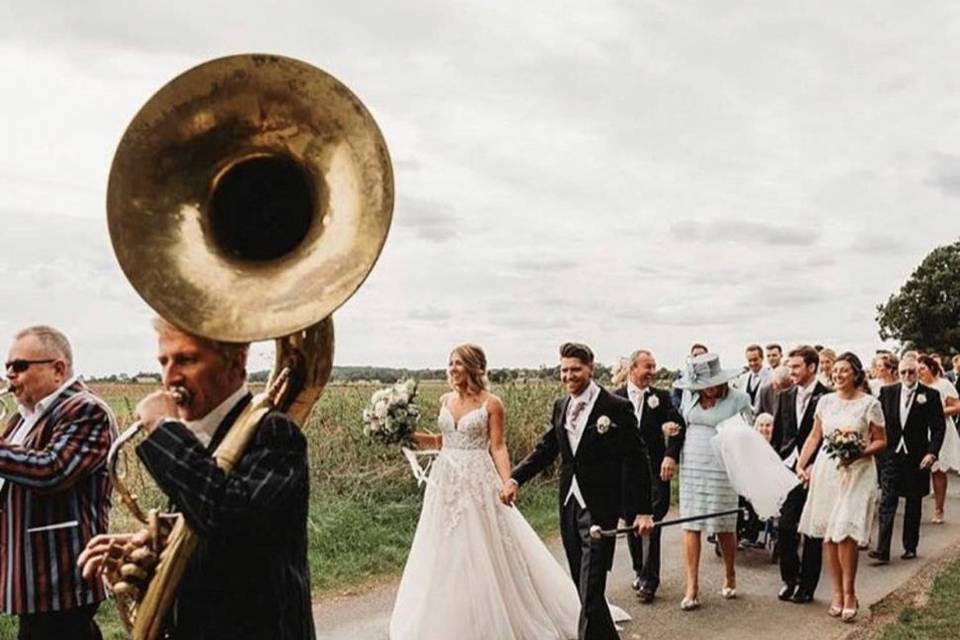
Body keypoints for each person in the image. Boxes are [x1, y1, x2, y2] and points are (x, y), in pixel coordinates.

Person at [79, 318, 315, 639]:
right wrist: (154, 557)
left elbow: (229, 518)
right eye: (164, 361)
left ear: (235, 362)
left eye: (186, 360)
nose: (169, 376)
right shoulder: (199, 437)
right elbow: (208, 532)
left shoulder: (273, 431)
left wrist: (164, 427)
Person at [391, 344, 614, 640]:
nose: (452, 369)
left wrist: (509, 481)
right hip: (446, 483)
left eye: (458, 363)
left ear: (474, 368)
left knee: (483, 547)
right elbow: (443, 440)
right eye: (450, 363)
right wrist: (401, 433)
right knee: (444, 547)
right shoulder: (445, 400)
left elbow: (497, 446)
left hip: (478, 481)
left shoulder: (491, 403)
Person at [506, 342, 654, 640]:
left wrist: (644, 510)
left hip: (601, 507)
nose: (569, 376)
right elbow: (546, 449)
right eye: (564, 370)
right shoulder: (561, 405)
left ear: (590, 368)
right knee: (582, 583)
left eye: (575, 369)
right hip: (569, 504)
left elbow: (638, 459)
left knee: (589, 588)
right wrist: (515, 479)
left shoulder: (615, 407)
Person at [0, 325, 116, 640]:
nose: (11, 375)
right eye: (8, 367)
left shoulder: (85, 409)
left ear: (58, 369)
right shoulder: (24, 416)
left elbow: (52, 469)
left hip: (61, 573)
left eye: (20, 366)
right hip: (32, 573)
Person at [795, 352, 886, 622]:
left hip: (858, 471)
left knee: (845, 531)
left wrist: (858, 453)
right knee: (829, 534)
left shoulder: (870, 404)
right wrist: (801, 465)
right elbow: (815, 436)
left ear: (856, 374)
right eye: (834, 371)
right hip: (828, 469)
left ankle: (850, 593)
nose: (837, 375)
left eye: (844, 370)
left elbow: (881, 441)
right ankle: (836, 592)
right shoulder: (825, 401)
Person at [672, 353, 753, 611]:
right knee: (690, 523)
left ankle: (730, 572)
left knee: (723, 524)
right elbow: (682, 424)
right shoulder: (689, 398)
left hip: (721, 464)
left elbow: (747, 436)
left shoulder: (739, 399)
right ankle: (692, 586)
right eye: (701, 386)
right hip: (693, 463)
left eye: (711, 384)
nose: (707, 390)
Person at [614, 349, 685, 603]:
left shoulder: (662, 398)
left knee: (652, 524)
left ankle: (649, 580)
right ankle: (638, 569)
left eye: (654, 366)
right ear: (633, 368)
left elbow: (679, 428)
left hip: (656, 470)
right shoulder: (615, 398)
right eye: (648, 366)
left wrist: (670, 455)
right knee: (632, 522)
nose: (653, 372)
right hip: (625, 473)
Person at [869, 353, 946, 565]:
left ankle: (910, 547)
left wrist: (932, 452)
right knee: (887, 501)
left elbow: (938, 428)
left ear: (918, 372)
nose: (907, 375)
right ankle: (882, 550)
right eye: (903, 372)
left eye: (911, 371)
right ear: (898, 373)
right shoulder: (887, 392)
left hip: (917, 456)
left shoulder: (929, 395)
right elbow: (877, 422)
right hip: (891, 455)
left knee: (913, 502)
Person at [771, 345, 831, 604]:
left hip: (817, 472)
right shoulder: (784, 396)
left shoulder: (828, 397)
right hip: (787, 469)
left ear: (812, 367)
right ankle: (789, 579)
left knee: (812, 531)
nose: (790, 371)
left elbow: (829, 438)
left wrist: (813, 466)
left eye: (795, 366)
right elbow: (778, 435)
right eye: (789, 366)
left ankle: (807, 587)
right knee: (785, 527)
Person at [917, 354, 960, 524]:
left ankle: (939, 508)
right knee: (918, 469)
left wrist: (937, 413)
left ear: (932, 368)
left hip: (940, 430)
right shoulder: (916, 387)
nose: (919, 372)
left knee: (938, 470)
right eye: (917, 369)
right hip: (920, 431)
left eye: (923, 369)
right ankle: (916, 507)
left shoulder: (943, 385)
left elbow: (957, 407)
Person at [672, 343, 709, 409]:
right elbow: (676, 396)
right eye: (695, 355)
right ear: (691, 357)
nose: (698, 358)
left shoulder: (713, 377)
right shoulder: (682, 377)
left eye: (702, 356)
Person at [733, 344, 770, 410]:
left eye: (755, 360)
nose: (752, 363)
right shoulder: (742, 379)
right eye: (750, 360)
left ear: (762, 358)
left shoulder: (771, 377)